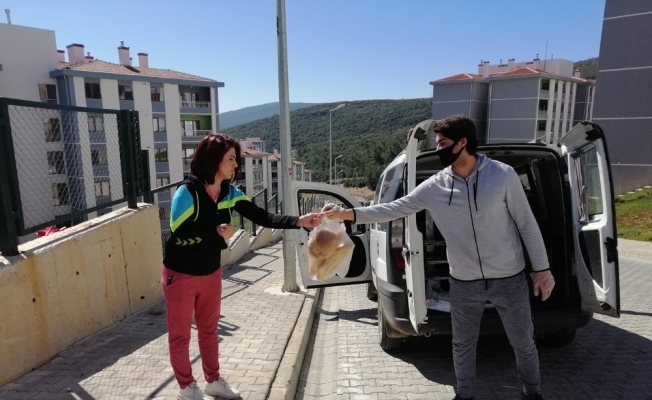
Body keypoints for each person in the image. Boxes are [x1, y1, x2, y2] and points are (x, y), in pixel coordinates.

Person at [323, 115, 555, 400]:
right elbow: (393, 208)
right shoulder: (435, 185)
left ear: (462, 143)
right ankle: (464, 395)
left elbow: (527, 225)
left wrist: (542, 270)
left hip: (509, 278)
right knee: (463, 345)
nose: (438, 149)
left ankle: (532, 392)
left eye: (443, 143)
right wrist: (347, 214)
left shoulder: (502, 176)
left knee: (522, 342)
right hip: (464, 282)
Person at [162, 134, 322, 400]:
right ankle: (186, 388)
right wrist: (216, 234)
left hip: (211, 272)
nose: (236, 164)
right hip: (180, 274)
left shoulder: (230, 193)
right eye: (231, 159)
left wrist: (299, 221)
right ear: (214, 160)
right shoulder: (187, 192)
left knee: (209, 331)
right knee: (180, 335)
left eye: (235, 159)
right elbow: (178, 232)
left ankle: (213, 381)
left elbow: (263, 216)